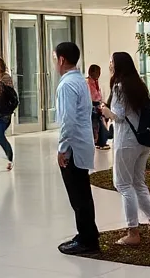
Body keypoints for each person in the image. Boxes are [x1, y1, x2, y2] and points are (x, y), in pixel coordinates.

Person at [99, 52, 150, 246]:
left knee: (123, 185)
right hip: (142, 140)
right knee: (138, 183)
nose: (109, 65)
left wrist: (105, 111)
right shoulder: (139, 85)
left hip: (127, 141)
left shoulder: (119, 88)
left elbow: (118, 116)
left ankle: (133, 232)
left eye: (111, 62)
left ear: (118, 65)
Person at [55, 41, 99, 255]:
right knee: (83, 193)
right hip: (83, 144)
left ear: (61, 59)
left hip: (73, 148)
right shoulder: (79, 80)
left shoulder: (66, 85)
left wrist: (62, 149)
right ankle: (87, 234)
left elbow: (68, 121)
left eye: (55, 58)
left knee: (78, 196)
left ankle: (88, 242)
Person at [88, 64, 111, 151]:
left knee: (104, 118)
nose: (99, 74)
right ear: (92, 72)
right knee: (99, 120)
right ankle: (101, 141)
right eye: (97, 72)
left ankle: (102, 140)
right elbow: (92, 96)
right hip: (92, 105)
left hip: (97, 104)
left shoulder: (95, 82)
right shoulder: (88, 82)